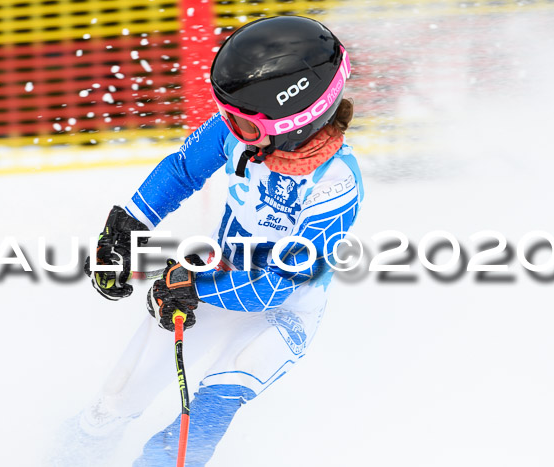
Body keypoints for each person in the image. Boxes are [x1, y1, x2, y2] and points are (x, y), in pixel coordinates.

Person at [52, 15, 364, 467]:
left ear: (297, 118)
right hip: (213, 286)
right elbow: (182, 169)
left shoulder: (335, 185)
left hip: (280, 313)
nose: (230, 131)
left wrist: (190, 287)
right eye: (228, 117)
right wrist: (126, 228)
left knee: (203, 417)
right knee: (110, 408)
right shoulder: (241, 133)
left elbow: (275, 284)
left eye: (244, 125)